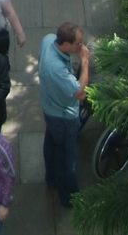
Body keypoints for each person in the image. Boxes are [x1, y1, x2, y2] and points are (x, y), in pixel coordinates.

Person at [38, 22, 90, 209]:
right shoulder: (57, 69)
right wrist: (84, 61)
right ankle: (68, 196)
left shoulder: (48, 40)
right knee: (66, 159)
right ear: (66, 44)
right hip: (63, 116)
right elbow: (80, 93)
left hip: (49, 107)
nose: (81, 47)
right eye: (78, 44)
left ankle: (51, 178)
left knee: (51, 143)